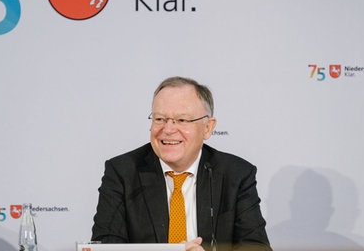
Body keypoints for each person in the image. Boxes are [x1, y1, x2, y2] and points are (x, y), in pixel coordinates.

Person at [91, 76, 272, 251]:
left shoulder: (235, 174)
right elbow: (105, 246)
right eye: (159, 119)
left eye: (182, 120)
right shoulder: (123, 172)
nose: (168, 130)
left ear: (207, 127)